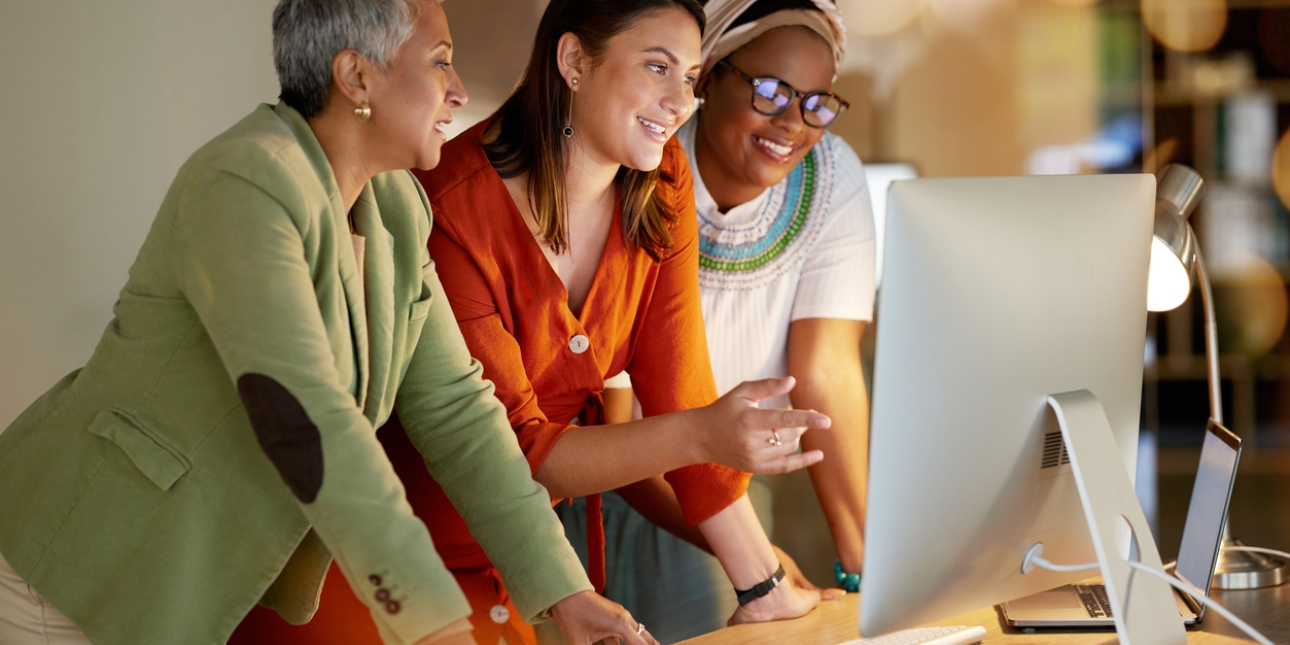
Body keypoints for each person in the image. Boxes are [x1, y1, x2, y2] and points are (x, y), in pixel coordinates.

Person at [0, 1, 654, 644]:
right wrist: (430, 613)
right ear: (356, 77)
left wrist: (565, 589)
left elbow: (458, 410)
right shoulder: (245, 180)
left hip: (188, 581)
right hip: (71, 562)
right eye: (440, 63)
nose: (457, 92)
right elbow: (307, 413)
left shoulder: (396, 206)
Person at [384, 1, 841, 644]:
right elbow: (517, 455)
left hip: (533, 561)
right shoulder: (447, 206)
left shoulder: (660, 182)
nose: (679, 102)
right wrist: (707, 434)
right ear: (573, 61)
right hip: (404, 557)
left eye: (689, 76)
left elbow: (679, 391)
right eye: (657, 67)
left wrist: (762, 586)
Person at [594, 0, 876, 640]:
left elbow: (827, 369)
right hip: (617, 484)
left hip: (729, 489)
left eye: (817, 103)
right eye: (772, 91)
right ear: (710, 75)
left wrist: (864, 559)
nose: (793, 123)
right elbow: (615, 419)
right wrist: (755, 562)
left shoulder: (832, 178)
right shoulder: (641, 168)